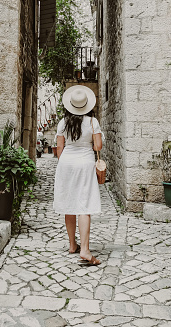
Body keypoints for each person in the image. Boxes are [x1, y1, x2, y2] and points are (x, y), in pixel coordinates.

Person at [53, 85, 103, 266]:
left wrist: (65, 164)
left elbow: (60, 148)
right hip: (85, 163)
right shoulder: (92, 122)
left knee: (69, 204)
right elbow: (98, 146)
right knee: (84, 204)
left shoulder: (62, 123)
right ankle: (85, 249)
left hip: (66, 162)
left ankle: (72, 244)